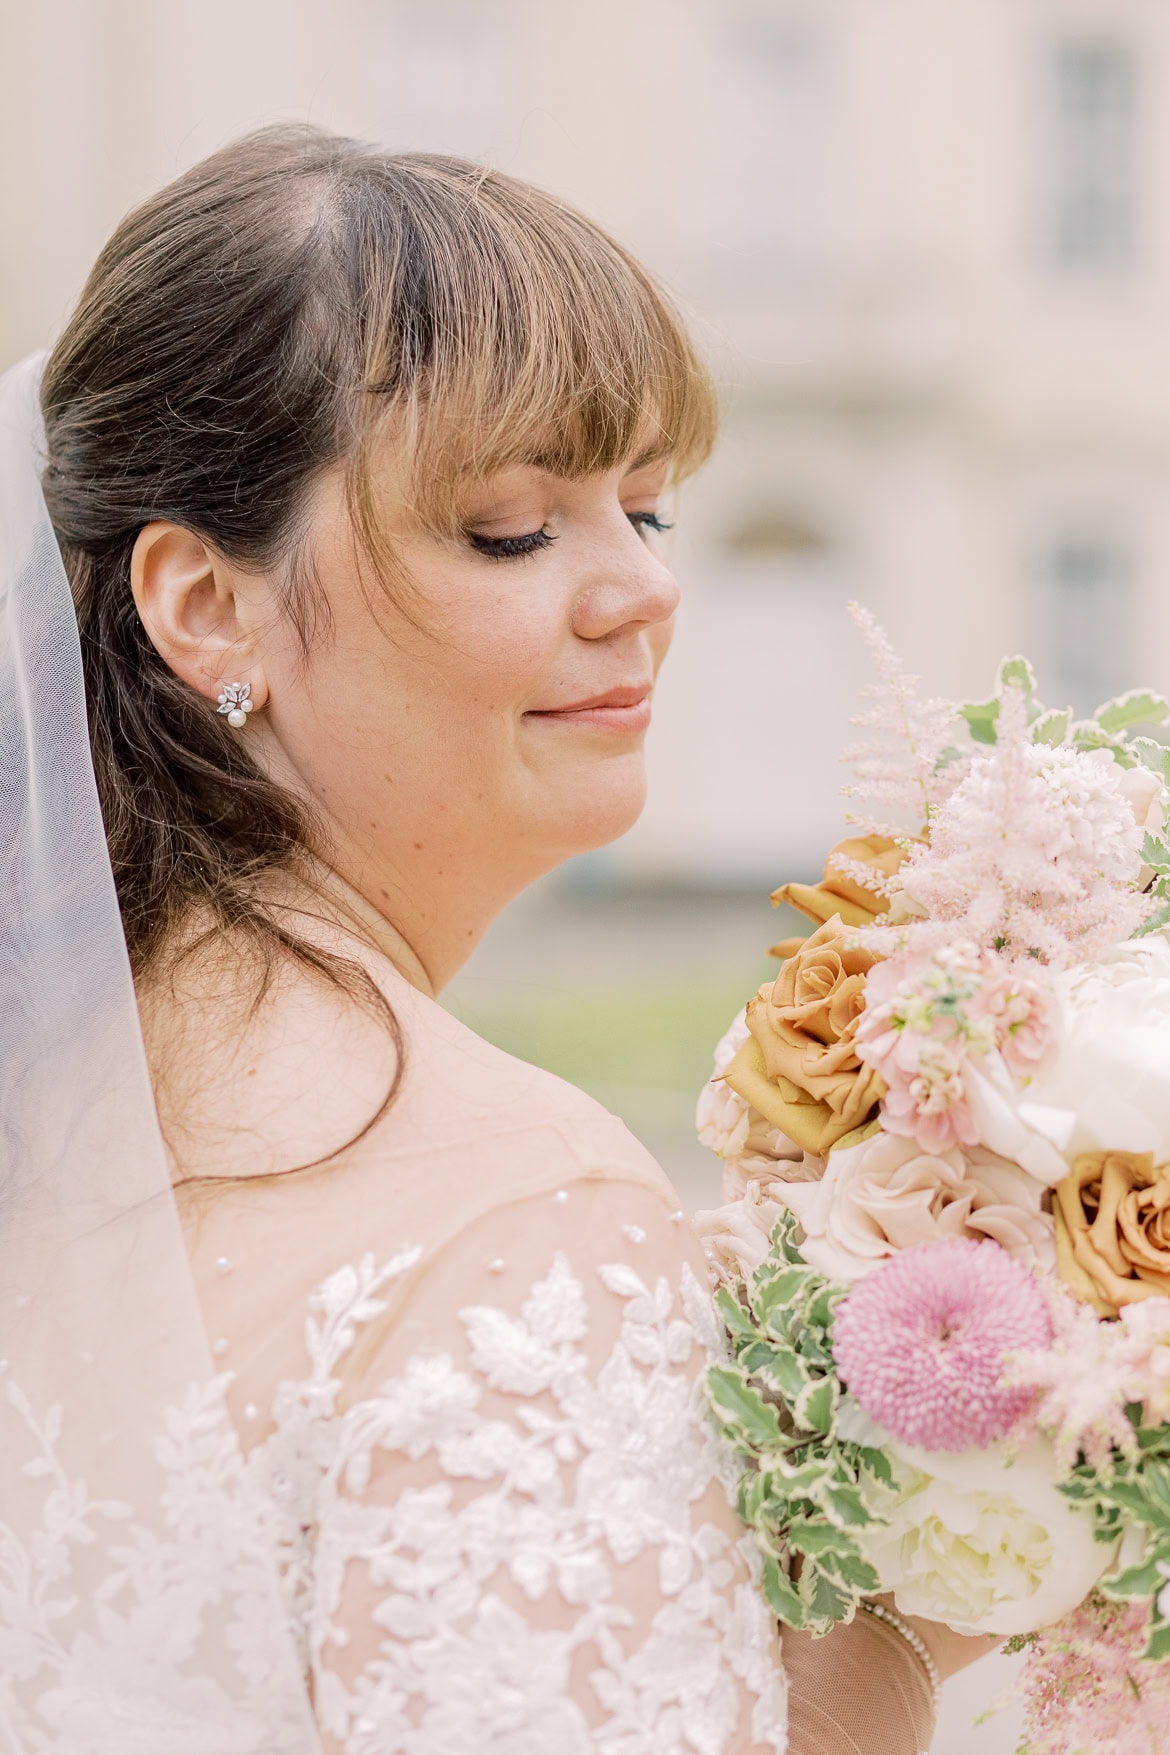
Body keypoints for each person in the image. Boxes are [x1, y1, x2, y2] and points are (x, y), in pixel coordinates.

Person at [0, 125, 975, 1753]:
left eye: (646, 511)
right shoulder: (515, 1216)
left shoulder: (55, 1085)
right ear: (203, 606)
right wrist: (908, 1620)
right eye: (511, 529)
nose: (637, 593)